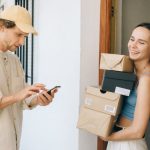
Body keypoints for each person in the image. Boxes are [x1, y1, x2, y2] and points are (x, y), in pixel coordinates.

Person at [0, 5, 58, 150]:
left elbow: (21, 98)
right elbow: (17, 96)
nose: (22, 42)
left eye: (24, 37)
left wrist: (38, 99)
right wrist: (19, 95)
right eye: (18, 34)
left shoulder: (15, 60)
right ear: (2, 27)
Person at [100, 22, 150, 150]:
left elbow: (138, 130)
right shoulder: (129, 71)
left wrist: (108, 137)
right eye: (132, 39)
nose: (133, 45)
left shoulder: (146, 79)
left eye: (141, 42)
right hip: (119, 139)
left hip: (129, 144)